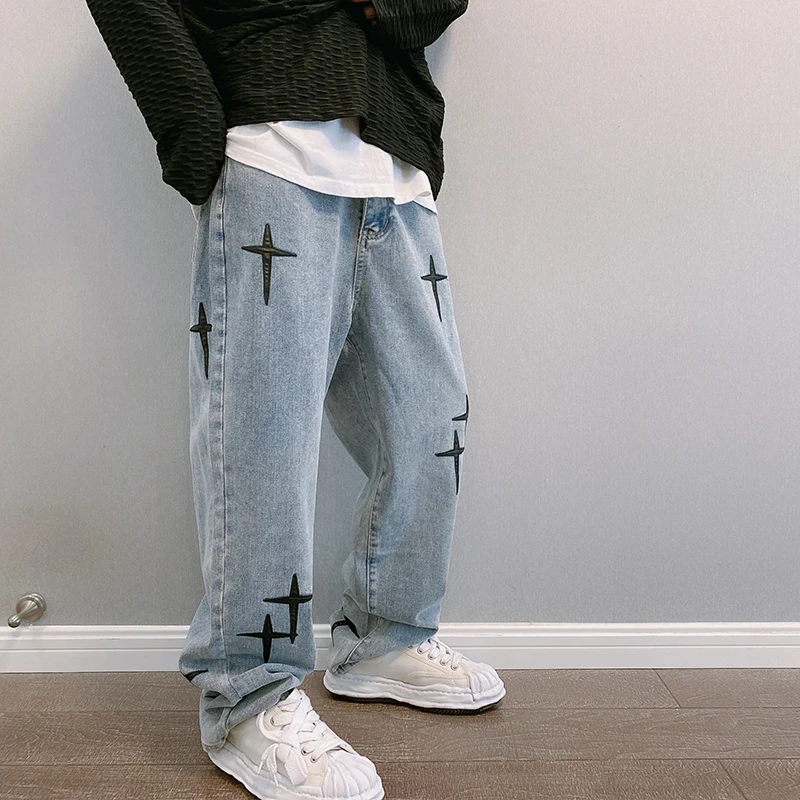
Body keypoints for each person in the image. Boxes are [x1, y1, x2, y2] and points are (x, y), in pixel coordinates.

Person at [85, 1, 505, 798]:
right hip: (271, 154)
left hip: (396, 163)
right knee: (265, 436)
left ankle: (385, 636)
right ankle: (249, 695)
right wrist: (195, 136)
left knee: (431, 423)